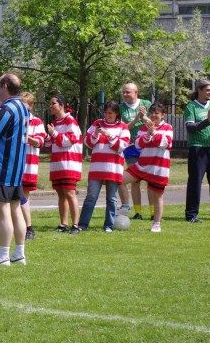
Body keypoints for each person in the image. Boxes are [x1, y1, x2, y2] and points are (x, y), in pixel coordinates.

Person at [0, 73, 29, 266]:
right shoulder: (23, 107)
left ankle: (3, 256)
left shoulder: (7, 108)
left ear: (6, 86)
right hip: (17, 168)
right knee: (16, 208)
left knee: (3, 210)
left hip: (3, 168)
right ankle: (19, 253)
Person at [77, 101, 131, 233]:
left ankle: (108, 225)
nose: (107, 116)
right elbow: (87, 142)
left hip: (113, 169)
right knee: (91, 197)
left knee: (111, 198)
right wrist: (95, 134)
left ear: (116, 113)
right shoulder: (97, 123)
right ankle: (83, 224)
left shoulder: (123, 127)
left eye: (110, 113)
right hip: (97, 168)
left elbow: (121, 146)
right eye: (106, 113)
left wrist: (108, 135)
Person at [122, 102, 173, 233]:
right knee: (118, 179)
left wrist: (153, 131)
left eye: (157, 113)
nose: (154, 115)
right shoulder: (143, 128)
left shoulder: (168, 127)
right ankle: (125, 207)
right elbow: (138, 145)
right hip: (142, 166)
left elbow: (165, 143)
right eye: (152, 113)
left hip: (158, 169)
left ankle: (156, 223)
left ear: (163, 115)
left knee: (158, 197)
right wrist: (148, 134)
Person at [183, 79, 210, 222]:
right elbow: (190, 128)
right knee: (195, 182)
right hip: (197, 148)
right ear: (199, 90)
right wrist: (206, 121)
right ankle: (191, 214)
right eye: (207, 90)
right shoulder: (191, 106)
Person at [45, 96, 82, 233]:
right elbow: (50, 143)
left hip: (69, 164)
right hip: (58, 164)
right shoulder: (54, 122)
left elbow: (69, 140)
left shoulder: (70, 120)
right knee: (61, 193)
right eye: (50, 103)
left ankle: (76, 225)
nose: (51, 106)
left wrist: (53, 133)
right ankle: (63, 224)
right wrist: (46, 137)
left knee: (70, 193)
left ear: (62, 105)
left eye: (53, 103)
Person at [118, 83, 152, 220]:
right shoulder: (121, 108)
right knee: (135, 180)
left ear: (136, 92)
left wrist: (144, 117)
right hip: (131, 147)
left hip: (147, 145)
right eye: (124, 92)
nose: (125, 94)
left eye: (128, 92)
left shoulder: (146, 104)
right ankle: (138, 212)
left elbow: (153, 124)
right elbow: (122, 128)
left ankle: (153, 213)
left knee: (150, 180)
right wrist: (136, 119)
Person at [20, 92, 45, 240]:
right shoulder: (16, 119)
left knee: (24, 195)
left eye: (26, 105)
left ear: (31, 106)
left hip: (29, 163)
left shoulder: (36, 122)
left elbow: (39, 142)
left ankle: (28, 228)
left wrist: (25, 137)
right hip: (14, 162)